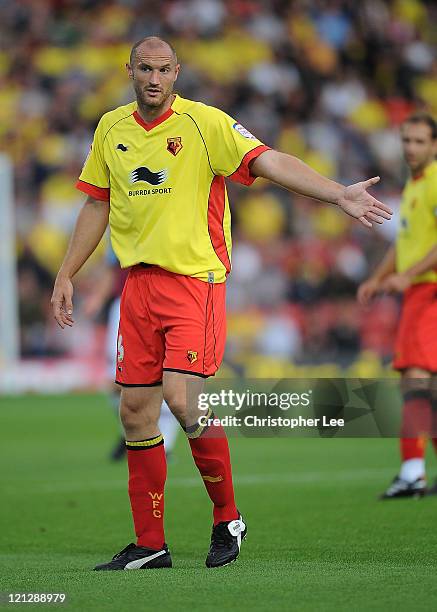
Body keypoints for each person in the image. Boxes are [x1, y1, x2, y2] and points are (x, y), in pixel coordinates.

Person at [51, 36, 392, 570]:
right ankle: (150, 544)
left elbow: (270, 160)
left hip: (194, 284)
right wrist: (66, 273)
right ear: (129, 70)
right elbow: (97, 203)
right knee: (136, 413)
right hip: (137, 287)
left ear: (177, 72)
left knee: (182, 399)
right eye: (145, 68)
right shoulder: (110, 129)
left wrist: (336, 193)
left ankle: (227, 517)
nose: (154, 79)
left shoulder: (205, 124)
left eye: (164, 69)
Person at [358, 112, 437, 499]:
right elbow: (404, 243)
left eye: (420, 141)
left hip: (429, 291)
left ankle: (411, 472)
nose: (411, 148)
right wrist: (378, 277)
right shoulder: (415, 186)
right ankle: (416, 471)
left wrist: (409, 275)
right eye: (406, 140)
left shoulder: (435, 182)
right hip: (419, 289)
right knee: (428, 386)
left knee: (414, 378)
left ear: (434, 145)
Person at [83, 243, 180, 461]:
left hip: (165, 302)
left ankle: (164, 445)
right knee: (116, 381)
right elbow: (112, 268)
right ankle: (133, 433)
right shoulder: (123, 222)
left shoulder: (171, 220)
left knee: (170, 378)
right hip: (125, 305)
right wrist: (98, 298)